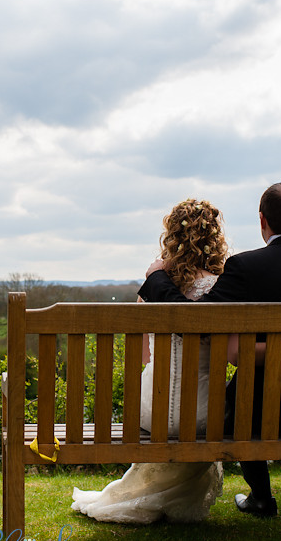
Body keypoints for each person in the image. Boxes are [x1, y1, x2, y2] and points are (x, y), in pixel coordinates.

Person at [137, 182, 281, 531]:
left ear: (262, 221)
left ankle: (261, 496)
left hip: (256, 414)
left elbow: (195, 322)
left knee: (244, 391)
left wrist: (157, 278)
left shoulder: (246, 268)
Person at [71, 199, 228, 523]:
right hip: (204, 414)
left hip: (150, 410)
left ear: (171, 236)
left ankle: (150, 494)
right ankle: (177, 497)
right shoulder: (219, 289)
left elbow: (144, 355)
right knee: (205, 402)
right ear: (214, 238)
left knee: (160, 394)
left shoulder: (153, 288)